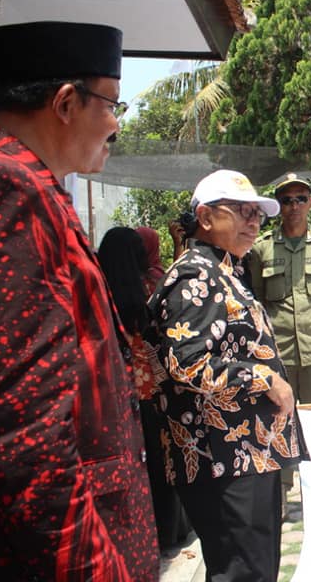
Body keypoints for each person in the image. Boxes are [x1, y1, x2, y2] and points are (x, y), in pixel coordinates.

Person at [0, 21, 158, 579]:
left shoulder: (37, 187)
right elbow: (26, 436)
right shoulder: (13, 189)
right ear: (66, 103)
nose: (115, 125)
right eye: (113, 104)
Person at [150, 169, 305, 581]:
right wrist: (264, 378)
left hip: (244, 452)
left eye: (256, 213)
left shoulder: (224, 271)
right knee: (243, 572)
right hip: (220, 457)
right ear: (204, 217)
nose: (253, 221)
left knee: (251, 569)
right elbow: (186, 362)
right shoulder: (195, 275)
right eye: (240, 211)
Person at [98, 227, 191, 551]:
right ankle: (171, 532)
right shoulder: (153, 285)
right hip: (155, 390)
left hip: (117, 394)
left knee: (136, 469)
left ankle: (140, 537)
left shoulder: (98, 292)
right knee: (163, 463)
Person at [249, 174, 311, 405]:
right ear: (278, 206)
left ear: (310, 202)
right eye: (287, 200)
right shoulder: (261, 248)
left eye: (300, 199)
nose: (294, 206)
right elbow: (257, 301)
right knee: (278, 424)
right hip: (279, 353)